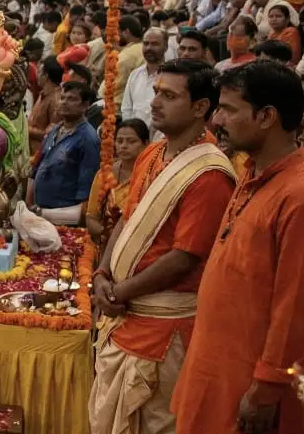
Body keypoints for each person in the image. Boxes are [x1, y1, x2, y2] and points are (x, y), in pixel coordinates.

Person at [172, 61, 304, 433]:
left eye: (228, 109)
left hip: (249, 390)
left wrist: (266, 389)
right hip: (212, 371)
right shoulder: (250, 174)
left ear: (266, 116)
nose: (216, 120)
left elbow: (297, 308)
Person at [88, 60, 236, 434]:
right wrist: (103, 274)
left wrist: (120, 290)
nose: (155, 102)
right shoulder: (152, 154)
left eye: (169, 96)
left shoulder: (210, 174)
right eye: (156, 92)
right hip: (124, 316)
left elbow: (184, 257)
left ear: (201, 107)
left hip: (165, 331)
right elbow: (126, 217)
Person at [26, 81, 101, 226]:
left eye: (72, 99)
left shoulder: (88, 139)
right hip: (39, 214)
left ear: (85, 106)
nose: (64, 102)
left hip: (65, 221)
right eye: (63, 98)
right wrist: (29, 206)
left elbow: (86, 197)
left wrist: (46, 214)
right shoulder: (56, 129)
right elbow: (36, 170)